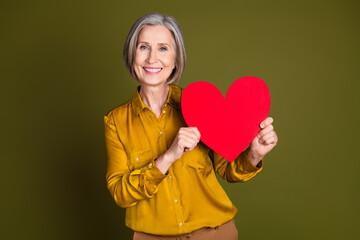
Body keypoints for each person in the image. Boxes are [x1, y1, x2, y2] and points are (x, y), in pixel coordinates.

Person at [104, 13, 278, 240]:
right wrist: (167, 157)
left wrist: (254, 154)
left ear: (176, 59)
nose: (152, 59)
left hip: (214, 234)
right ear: (131, 55)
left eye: (163, 48)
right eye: (143, 47)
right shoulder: (116, 121)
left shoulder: (200, 105)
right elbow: (120, 193)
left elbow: (228, 170)